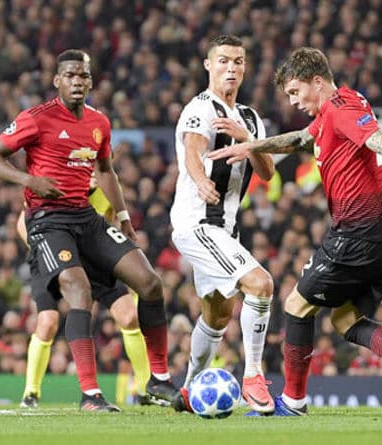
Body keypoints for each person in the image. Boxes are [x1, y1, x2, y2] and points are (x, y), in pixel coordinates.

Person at [209, 47, 382, 416]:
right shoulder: (338, 107)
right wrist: (252, 145)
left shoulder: (341, 110)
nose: (293, 101)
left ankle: (293, 402)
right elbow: (302, 140)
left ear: (317, 82)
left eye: (296, 92)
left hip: (358, 234)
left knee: (295, 306)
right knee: (345, 320)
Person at [0, 49, 175, 412]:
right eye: (70, 75)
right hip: (47, 219)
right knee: (78, 291)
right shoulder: (36, 118)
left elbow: (106, 170)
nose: (77, 81)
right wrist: (29, 180)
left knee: (150, 283)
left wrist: (124, 216)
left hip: (86, 217)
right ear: (57, 80)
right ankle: (89, 394)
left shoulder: (99, 122)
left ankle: (159, 380)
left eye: (83, 76)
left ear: (91, 81)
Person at [168, 35, 276, 415]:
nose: (232, 68)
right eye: (224, 60)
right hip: (198, 222)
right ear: (209, 65)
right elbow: (193, 150)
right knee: (261, 284)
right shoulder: (200, 108)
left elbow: (267, 172)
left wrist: (249, 140)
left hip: (225, 228)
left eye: (238, 61)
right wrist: (200, 180)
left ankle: (187, 390)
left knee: (217, 315)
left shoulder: (250, 118)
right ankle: (254, 377)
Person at [17, 176, 170, 408]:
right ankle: (31, 392)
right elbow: (23, 222)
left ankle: (146, 389)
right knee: (48, 322)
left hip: (91, 256)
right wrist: (47, 249)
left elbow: (109, 223)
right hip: (49, 254)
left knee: (129, 316)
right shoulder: (63, 176)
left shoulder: (109, 185)